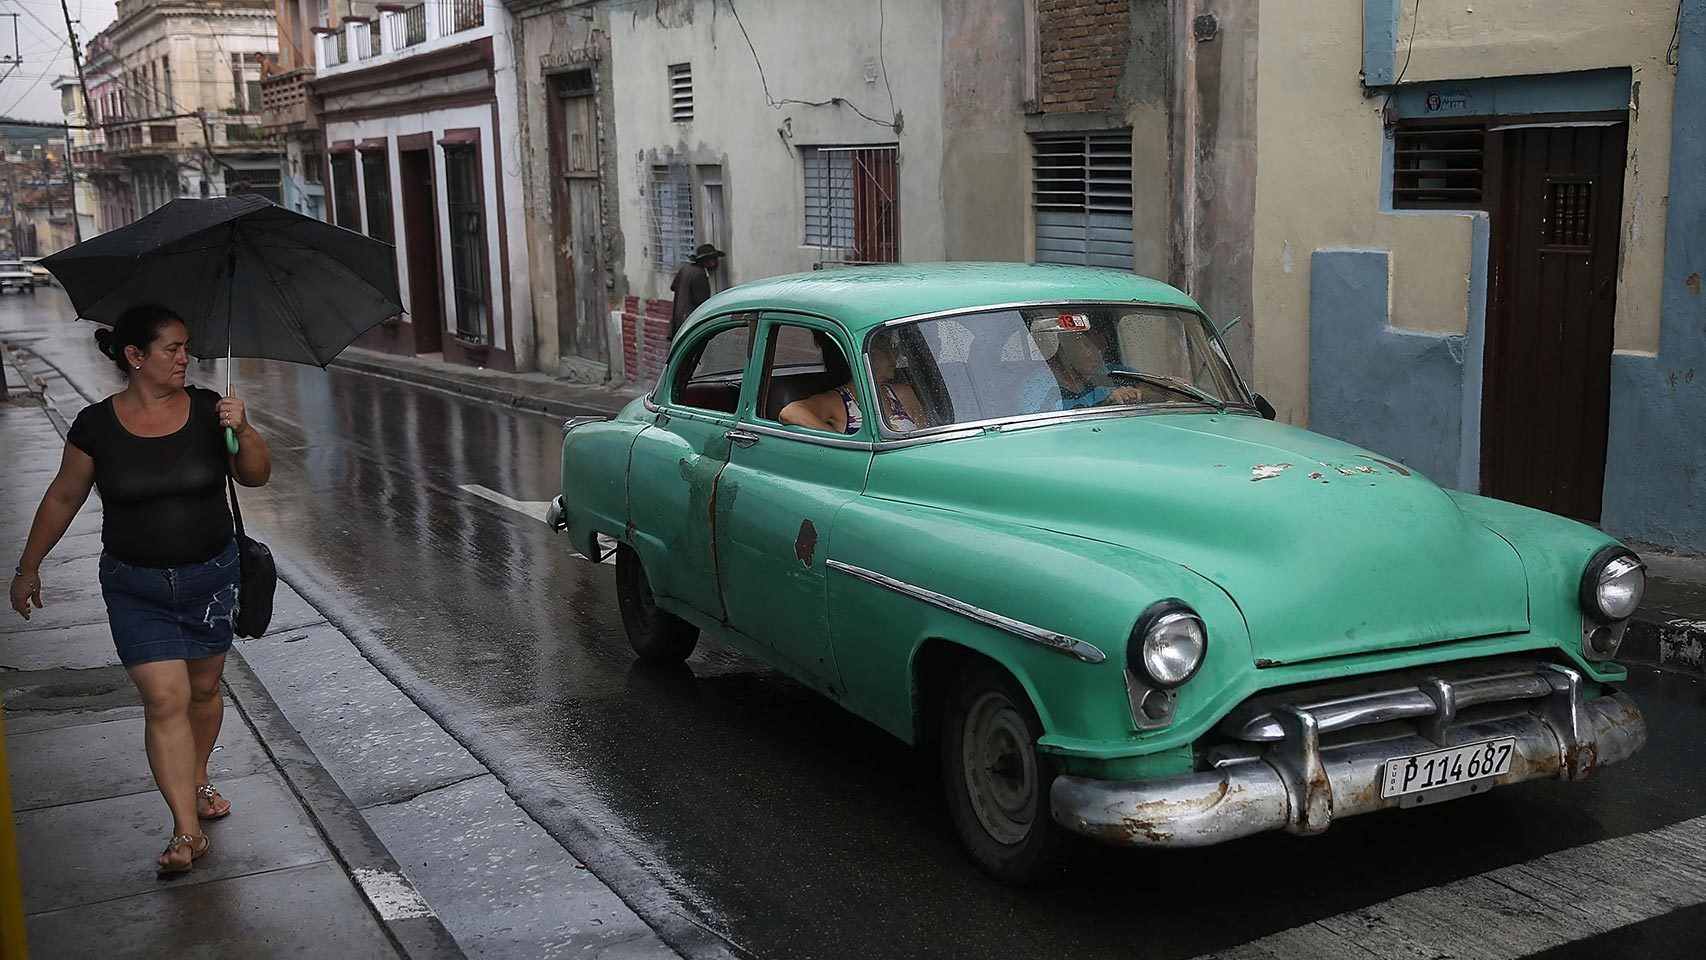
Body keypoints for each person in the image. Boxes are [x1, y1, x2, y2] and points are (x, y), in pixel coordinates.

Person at [9, 304, 273, 876]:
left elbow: (255, 475)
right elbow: (62, 497)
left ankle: (199, 779)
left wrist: (243, 428)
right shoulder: (95, 426)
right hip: (135, 587)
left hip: (211, 580)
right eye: (172, 349)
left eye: (186, 348)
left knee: (203, 693)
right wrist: (28, 566)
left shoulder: (209, 409)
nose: (185, 358)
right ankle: (186, 828)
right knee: (165, 700)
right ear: (135, 356)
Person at [779, 333, 927, 435]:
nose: (894, 357)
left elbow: (925, 435)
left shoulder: (903, 393)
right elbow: (790, 412)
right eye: (886, 351)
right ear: (867, 357)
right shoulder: (838, 402)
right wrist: (837, 439)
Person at [1019, 325, 1148, 413]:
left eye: (1101, 346)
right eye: (1088, 345)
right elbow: (1045, 430)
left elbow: (1159, 389)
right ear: (1066, 342)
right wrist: (1104, 401)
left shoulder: (1106, 370)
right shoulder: (1037, 384)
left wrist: (1134, 393)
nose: (1097, 354)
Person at [669, 243, 724, 339]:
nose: (714, 263)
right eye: (713, 259)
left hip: (677, 320)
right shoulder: (700, 275)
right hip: (689, 322)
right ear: (706, 261)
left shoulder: (685, 269)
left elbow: (673, 287)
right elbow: (702, 304)